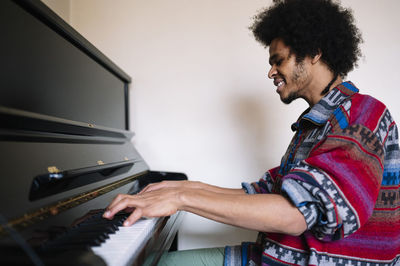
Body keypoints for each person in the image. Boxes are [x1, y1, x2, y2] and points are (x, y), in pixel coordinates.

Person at [103, 0, 400, 265]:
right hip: (275, 255)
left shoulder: (362, 116)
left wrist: (182, 198)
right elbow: (265, 193)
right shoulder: (318, 123)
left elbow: (295, 214)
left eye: (278, 60)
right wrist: (184, 187)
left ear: (313, 53)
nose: (271, 72)